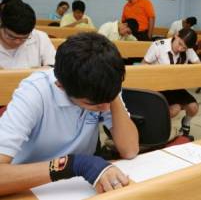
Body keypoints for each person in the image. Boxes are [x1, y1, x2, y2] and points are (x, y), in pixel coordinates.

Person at [0, 32, 139, 196]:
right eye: (92, 104)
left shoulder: (103, 88)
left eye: (109, 100)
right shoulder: (34, 92)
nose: (105, 108)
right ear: (61, 86)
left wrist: (113, 94)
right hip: (30, 186)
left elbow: (130, 150)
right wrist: (71, 165)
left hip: (77, 183)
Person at [142, 28, 200, 136]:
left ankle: (185, 123)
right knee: (174, 109)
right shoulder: (158, 46)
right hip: (159, 87)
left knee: (193, 107)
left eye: (184, 48)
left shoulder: (188, 50)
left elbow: (200, 67)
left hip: (176, 86)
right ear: (177, 35)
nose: (181, 49)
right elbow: (143, 66)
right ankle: (156, 129)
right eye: (180, 44)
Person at [0, 0, 55, 69]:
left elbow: (53, 64)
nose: (18, 42)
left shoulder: (40, 37)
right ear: (1, 24)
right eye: (11, 36)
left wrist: (45, 69)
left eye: (24, 38)